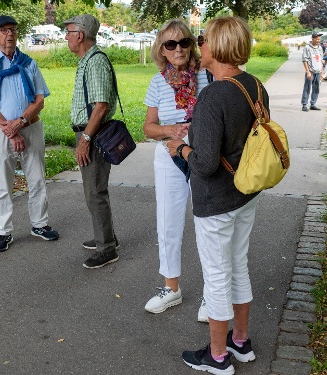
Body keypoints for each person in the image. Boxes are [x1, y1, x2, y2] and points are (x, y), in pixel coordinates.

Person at [168, 16, 266, 374]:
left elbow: (206, 164)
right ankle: (240, 342)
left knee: (217, 274)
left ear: (219, 46)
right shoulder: (254, 85)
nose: (199, 44)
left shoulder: (213, 95)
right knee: (237, 264)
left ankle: (218, 356)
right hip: (246, 193)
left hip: (217, 201)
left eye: (203, 38)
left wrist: (180, 148)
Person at [141, 19, 209, 323]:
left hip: (202, 157)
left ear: (191, 44)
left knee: (207, 225)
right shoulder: (158, 82)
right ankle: (171, 288)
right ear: (162, 50)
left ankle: (212, 294)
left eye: (183, 42)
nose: (178, 48)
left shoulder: (207, 75)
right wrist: (169, 130)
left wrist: (194, 130)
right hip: (168, 156)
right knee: (167, 223)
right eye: (171, 44)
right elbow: (147, 128)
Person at [0, 15, 59, 252]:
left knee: (37, 179)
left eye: (12, 29)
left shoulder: (29, 63)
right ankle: (4, 231)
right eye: (3, 30)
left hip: (31, 128)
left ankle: (40, 225)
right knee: (3, 183)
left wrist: (20, 123)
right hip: (1, 132)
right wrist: (11, 131)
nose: (9, 34)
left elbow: (40, 99)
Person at [64, 14, 119, 269]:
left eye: (69, 31)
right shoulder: (88, 60)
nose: (66, 36)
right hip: (90, 132)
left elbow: (100, 106)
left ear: (80, 35)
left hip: (93, 133)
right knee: (94, 190)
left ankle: (106, 248)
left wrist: (85, 138)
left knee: (95, 191)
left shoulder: (95, 62)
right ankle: (106, 237)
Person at [301, 31, 324, 112]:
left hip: (318, 71)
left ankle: (313, 104)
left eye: (319, 39)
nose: (318, 41)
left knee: (316, 88)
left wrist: (322, 72)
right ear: (312, 38)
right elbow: (305, 60)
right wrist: (308, 72)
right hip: (311, 71)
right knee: (307, 88)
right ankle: (304, 104)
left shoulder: (320, 48)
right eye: (317, 39)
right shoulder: (307, 48)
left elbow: (321, 60)